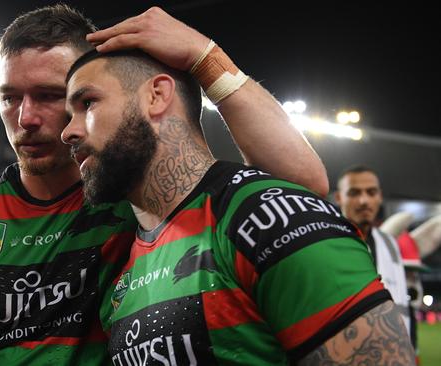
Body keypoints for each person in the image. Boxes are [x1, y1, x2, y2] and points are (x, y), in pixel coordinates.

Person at [0, 5, 330, 365]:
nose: (26, 117)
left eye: (49, 95)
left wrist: (206, 60)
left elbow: (299, 186)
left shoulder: (139, 199)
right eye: (10, 97)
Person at [61, 13, 415, 364]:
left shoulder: (270, 221)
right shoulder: (118, 259)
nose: (68, 132)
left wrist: (206, 56)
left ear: (156, 96)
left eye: (87, 103)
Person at [334, 166, 411, 337]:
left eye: (371, 192)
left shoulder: (390, 242)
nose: (364, 201)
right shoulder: (326, 241)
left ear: (380, 197)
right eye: (354, 193)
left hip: (395, 349)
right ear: (339, 198)